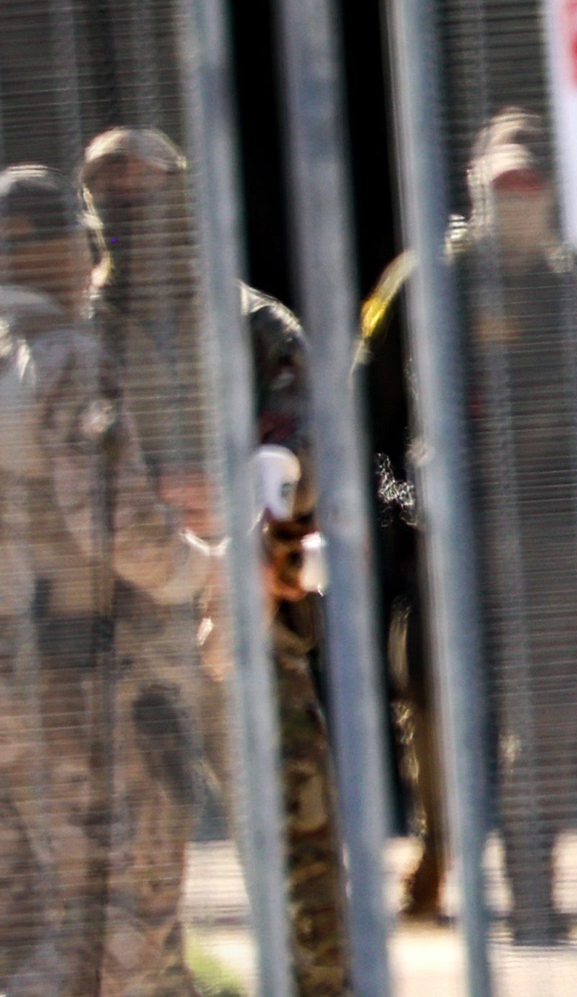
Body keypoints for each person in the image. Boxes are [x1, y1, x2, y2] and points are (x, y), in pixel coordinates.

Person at [360, 107, 577, 943]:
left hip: (552, 524)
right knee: (433, 704)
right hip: (444, 533)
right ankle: (437, 850)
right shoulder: (424, 280)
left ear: (553, 192)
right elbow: (366, 404)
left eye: (531, 182)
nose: (518, 197)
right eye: (503, 183)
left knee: (549, 713)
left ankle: (532, 887)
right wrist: (388, 506)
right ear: (475, 187)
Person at [78, 127, 347, 996]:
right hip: (121, 640)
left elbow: (307, 449)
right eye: (108, 193)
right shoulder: (72, 334)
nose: (128, 211)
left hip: (245, 621)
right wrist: (139, 505)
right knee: (133, 882)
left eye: (144, 192)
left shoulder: (255, 324)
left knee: (295, 853)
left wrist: (243, 508)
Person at [0, 164, 220, 996]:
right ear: (66, 252)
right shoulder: (67, 361)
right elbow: (122, 531)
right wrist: (209, 570)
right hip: (72, 689)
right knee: (120, 921)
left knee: (21, 923)